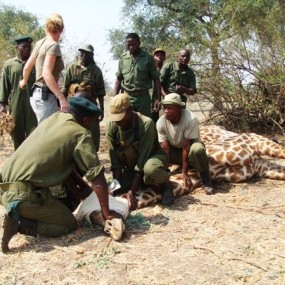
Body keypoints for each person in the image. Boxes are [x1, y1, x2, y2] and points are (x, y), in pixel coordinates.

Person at [0, 96, 119, 253]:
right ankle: (21, 224)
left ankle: (20, 212)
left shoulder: (55, 118)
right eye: (92, 121)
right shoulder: (80, 133)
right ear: (85, 120)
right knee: (67, 224)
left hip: (4, 190)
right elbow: (96, 176)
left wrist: (86, 193)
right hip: (23, 196)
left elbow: (65, 169)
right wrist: (107, 212)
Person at [106, 93, 174, 210]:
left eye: (120, 117)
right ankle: (143, 182)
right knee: (115, 187)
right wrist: (114, 188)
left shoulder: (146, 124)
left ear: (130, 110)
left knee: (151, 171)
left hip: (151, 158)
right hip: (133, 165)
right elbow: (115, 161)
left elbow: (143, 158)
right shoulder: (111, 126)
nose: (118, 122)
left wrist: (132, 191)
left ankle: (166, 184)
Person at [156, 93, 214, 195]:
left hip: (190, 151)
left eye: (170, 108)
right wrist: (165, 171)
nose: (166, 111)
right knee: (156, 151)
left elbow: (187, 147)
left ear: (179, 108)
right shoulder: (161, 122)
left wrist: (184, 172)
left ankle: (206, 179)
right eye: (164, 108)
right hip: (175, 152)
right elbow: (165, 149)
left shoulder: (190, 119)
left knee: (198, 149)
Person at [19, 13, 68, 123]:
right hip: (45, 97)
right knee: (48, 135)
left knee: (46, 132)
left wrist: (23, 81)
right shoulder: (53, 45)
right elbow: (46, 74)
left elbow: (27, 67)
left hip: (37, 96)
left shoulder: (39, 43)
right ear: (61, 30)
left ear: (46, 27)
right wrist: (61, 98)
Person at [62, 44, 106, 151]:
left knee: (93, 136)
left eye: (87, 53)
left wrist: (102, 110)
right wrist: (62, 105)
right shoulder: (72, 68)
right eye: (82, 52)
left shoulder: (96, 71)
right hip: (74, 108)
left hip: (90, 107)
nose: (84, 55)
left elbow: (100, 92)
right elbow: (65, 87)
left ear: (92, 55)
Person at [0, 36, 37, 150]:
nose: (27, 49)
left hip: (33, 105)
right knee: (16, 134)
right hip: (16, 105)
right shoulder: (9, 65)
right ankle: (18, 162)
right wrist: (2, 104)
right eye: (24, 47)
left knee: (34, 134)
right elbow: (5, 85)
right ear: (17, 48)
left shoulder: (36, 63)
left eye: (29, 47)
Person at [114, 33, 161, 118]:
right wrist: (115, 96)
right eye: (128, 45)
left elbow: (156, 79)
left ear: (139, 43)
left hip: (143, 99)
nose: (131, 47)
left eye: (133, 44)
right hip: (127, 97)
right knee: (127, 123)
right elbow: (119, 78)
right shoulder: (123, 58)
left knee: (144, 124)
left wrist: (158, 99)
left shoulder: (148, 58)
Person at [152, 48, 166, 122]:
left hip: (164, 98)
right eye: (157, 55)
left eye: (161, 55)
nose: (159, 57)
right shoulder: (150, 69)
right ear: (153, 57)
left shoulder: (167, 69)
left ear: (164, 57)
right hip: (152, 98)